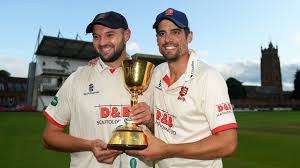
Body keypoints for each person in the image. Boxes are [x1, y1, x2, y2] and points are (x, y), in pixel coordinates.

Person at [127, 8, 238, 168]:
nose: (168, 39)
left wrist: (166, 150)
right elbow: (167, 128)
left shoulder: (208, 77)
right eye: (162, 34)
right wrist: (150, 119)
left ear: (189, 36)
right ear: (157, 39)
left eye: (176, 32)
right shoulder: (158, 73)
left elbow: (228, 143)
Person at [42, 11, 153, 168]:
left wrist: (150, 120)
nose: (102, 42)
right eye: (96, 36)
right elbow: (49, 136)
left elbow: (172, 134)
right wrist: (89, 145)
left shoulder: (149, 77)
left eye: (110, 34)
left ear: (126, 35)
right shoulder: (77, 79)